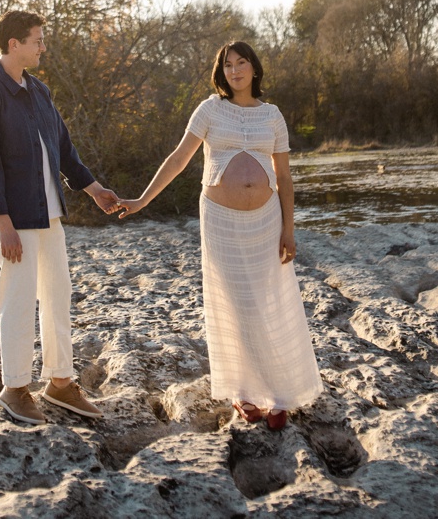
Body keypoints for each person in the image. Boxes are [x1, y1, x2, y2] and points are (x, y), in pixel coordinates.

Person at [115, 41, 321, 430]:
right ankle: (245, 393)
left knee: (268, 301)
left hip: (265, 221)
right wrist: (143, 200)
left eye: (242, 63)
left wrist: (289, 229)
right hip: (221, 221)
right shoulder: (209, 109)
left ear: (254, 69)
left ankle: (279, 394)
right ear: (221, 71)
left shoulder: (272, 116)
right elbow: (179, 158)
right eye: (228, 64)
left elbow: (285, 178)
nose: (235, 70)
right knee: (236, 303)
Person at [0, 10, 122, 425]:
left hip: (49, 215)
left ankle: (60, 382)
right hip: (13, 221)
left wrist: (95, 190)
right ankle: (15, 388)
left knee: (58, 297)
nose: (42, 46)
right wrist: (3, 224)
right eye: (37, 40)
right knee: (17, 301)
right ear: (14, 44)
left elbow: (64, 151)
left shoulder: (40, 92)